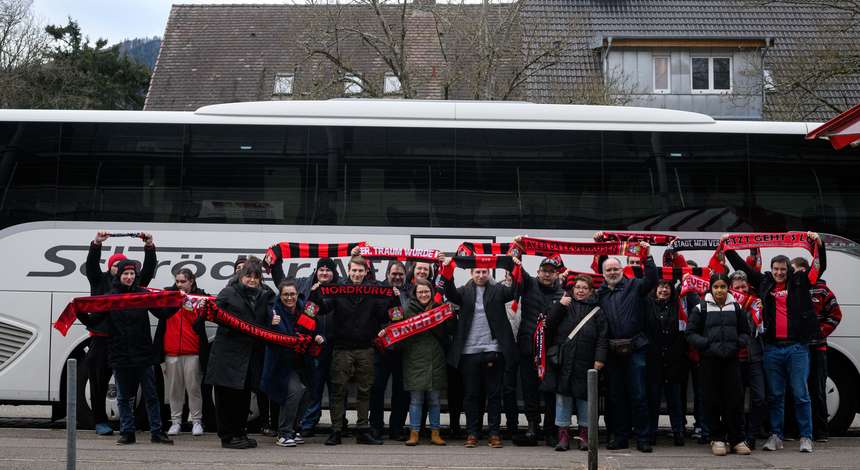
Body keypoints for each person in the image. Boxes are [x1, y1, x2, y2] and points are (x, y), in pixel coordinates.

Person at [725, 232, 824, 453]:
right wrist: (728, 247)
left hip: (797, 348)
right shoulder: (765, 282)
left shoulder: (800, 282)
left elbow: (819, 266)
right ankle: (776, 435)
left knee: (800, 393)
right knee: (775, 395)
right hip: (772, 349)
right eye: (776, 269)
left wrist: (819, 243)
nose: (779, 272)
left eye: (783, 269)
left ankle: (806, 437)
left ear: (788, 270)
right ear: (772, 269)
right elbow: (743, 267)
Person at [310, 256, 394, 446]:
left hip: (366, 348)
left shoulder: (374, 290)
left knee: (365, 391)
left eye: (360, 271)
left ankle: (363, 430)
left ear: (366, 272)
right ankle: (336, 431)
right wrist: (315, 294)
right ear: (348, 270)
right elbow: (321, 309)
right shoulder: (338, 289)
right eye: (354, 270)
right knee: (338, 391)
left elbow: (384, 314)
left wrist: (393, 297)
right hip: (341, 349)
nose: (357, 274)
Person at [79, 230, 156, 436]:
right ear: (110, 267)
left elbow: (148, 271)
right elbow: (92, 265)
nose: (120, 270)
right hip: (101, 340)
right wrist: (96, 244)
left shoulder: (134, 286)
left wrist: (149, 247)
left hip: (124, 343)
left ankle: (129, 424)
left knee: (130, 386)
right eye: (115, 265)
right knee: (98, 382)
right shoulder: (98, 281)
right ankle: (100, 421)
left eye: (123, 266)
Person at [89, 259, 174, 445]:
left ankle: (156, 432)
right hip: (120, 355)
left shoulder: (143, 295)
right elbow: (93, 321)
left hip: (143, 354)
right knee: (123, 397)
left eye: (132, 274)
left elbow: (163, 314)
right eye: (125, 274)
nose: (129, 277)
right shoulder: (110, 297)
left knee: (152, 396)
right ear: (119, 275)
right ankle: (127, 432)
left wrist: (177, 301)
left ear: (136, 276)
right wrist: (78, 311)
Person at [441, 256, 518, 449]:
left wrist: (516, 267)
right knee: (471, 395)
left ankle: (494, 433)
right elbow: (448, 292)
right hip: (468, 353)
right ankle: (472, 433)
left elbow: (516, 290)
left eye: (484, 272)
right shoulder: (463, 291)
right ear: (470, 273)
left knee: (493, 394)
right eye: (477, 272)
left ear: (489, 273)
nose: (481, 275)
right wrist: (447, 269)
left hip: (493, 350)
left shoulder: (498, 290)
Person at [205, 257, 274, 449]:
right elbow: (213, 313)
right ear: (240, 276)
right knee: (227, 397)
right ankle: (227, 437)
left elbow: (268, 315)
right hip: (228, 355)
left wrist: (272, 319)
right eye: (248, 276)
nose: (252, 280)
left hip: (248, 356)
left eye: (256, 277)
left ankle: (240, 432)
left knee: (243, 397)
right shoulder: (228, 292)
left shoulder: (263, 295)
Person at [596, 239, 657, 453]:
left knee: (639, 395)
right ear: (603, 273)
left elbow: (652, 279)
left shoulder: (635, 285)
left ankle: (643, 438)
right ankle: (620, 437)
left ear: (622, 269)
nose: (612, 272)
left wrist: (647, 256)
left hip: (635, 349)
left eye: (615, 268)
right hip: (612, 353)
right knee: (615, 397)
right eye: (608, 269)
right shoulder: (599, 293)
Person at [686, 272, 751, 456]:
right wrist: (706, 345)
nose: (720, 290)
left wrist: (738, 344)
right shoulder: (701, 308)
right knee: (712, 401)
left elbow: (746, 332)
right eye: (716, 287)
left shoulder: (737, 307)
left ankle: (737, 439)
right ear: (711, 288)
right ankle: (718, 438)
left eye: (723, 286)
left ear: (728, 287)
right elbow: (690, 333)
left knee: (734, 400)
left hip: (731, 361)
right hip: (709, 361)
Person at [510, 239, 566, 446]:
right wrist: (517, 247)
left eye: (551, 271)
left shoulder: (563, 295)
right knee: (529, 389)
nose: (546, 274)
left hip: (550, 351)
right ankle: (533, 426)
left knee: (550, 390)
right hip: (527, 348)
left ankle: (550, 430)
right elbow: (515, 264)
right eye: (544, 270)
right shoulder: (528, 284)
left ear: (556, 274)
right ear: (539, 271)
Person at [543, 275, 607, 452]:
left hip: (587, 361)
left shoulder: (597, 311)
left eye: (584, 288)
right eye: (577, 287)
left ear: (590, 291)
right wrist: (559, 306)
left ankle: (584, 436)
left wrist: (599, 359)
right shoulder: (564, 305)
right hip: (564, 361)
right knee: (563, 398)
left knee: (585, 399)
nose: (580, 290)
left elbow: (602, 337)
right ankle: (563, 436)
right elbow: (548, 324)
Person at [261, 280, 325, 447]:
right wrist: (270, 324)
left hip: (302, 361)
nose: (289, 298)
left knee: (308, 394)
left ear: (297, 294)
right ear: (280, 295)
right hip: (281, 362)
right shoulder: (274, 311)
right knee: (295, 391)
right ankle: (284, 433)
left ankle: (294, 429)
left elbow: (314, 328)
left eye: (292, 294)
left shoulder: (305, 309)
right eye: (285, 294)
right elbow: (264, 331)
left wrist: (318, 336)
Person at [153, 268, 210, 437]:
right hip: (171, 351)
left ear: (191, 281)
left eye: (183, 281)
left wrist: (189, 305)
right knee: (174, 390)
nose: (179, 284)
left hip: (192, 351)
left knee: (194, 389)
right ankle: (176, 422)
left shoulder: (200, 298)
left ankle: (197, 421)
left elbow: (201, 320)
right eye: (177, 281)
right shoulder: (168, 296)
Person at [791, 256, 841, 442]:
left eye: (794, 269)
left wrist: (819, 332)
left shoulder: (822, 290)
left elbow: (835, 315)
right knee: (796, 389)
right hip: (797, 348)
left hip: (817, 348)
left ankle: (820, 431)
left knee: (817, 389)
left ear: (804, 270)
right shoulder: (793, 289)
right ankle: (796, 430)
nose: (791, 273)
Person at [400, 279, 450, 446]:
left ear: (431, 292)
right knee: (416, 400)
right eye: (420, 292)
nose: (423, 295)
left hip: (435, 358)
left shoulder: (439, 309)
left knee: (435, 400)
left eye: (426, 292)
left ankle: (435, 432)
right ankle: (414, 432)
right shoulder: (407, 309)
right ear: (415, 293)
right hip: (414, 359)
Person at [369, 261, 411, 441]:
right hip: (382, 349)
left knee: (401, 392)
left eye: (401, 274)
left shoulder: (410, 292)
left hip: (403, 350)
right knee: (377, 389)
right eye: (394, 274)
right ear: (387, 274)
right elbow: (371, 315)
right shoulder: (378, 291)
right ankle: (376, 427)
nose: (397, 277)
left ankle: (396, 428)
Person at [644, 279, 687, 447]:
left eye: (667, 287)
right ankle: (651, 433)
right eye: (660, 286)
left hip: (674, 359)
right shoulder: (647, 305)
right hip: (653, 359)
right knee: (652, 399)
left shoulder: (679, 306)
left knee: (674, 399)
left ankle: (678, 432)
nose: (663, 290)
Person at [729, 270, 767, 449]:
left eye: (743, 286)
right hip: (735, 359)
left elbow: (762, 329)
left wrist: (760, 310)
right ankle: (739, 435)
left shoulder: (755, 303)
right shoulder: (727, 305)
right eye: (737, 288)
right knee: (735, 400)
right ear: (731, 289)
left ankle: (752, 435)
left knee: (759, 398)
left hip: (754, 358)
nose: (741, 290)